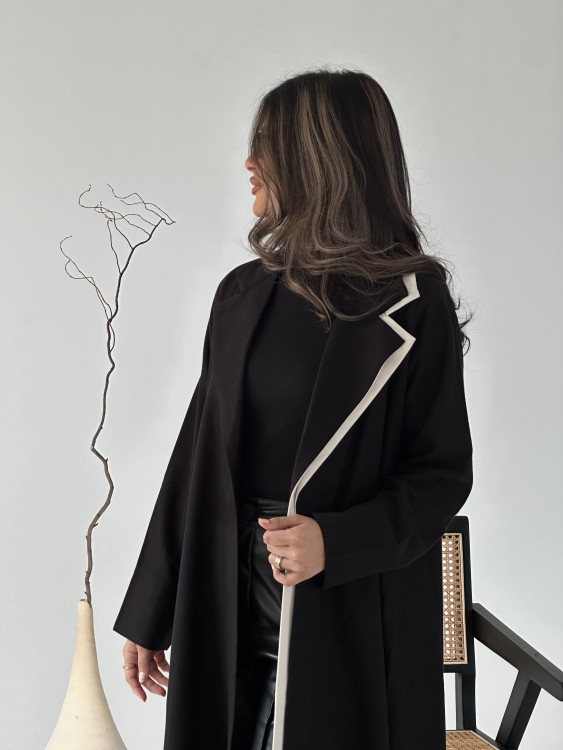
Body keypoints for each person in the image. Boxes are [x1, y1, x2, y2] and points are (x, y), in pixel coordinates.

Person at [114, 66, 473, 750]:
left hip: (348, 609)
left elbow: (441, 475)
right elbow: (195, 458)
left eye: (269, 144)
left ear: (321, 158)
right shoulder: (240, 294)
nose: (249, 161)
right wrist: (151, 609)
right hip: (225, 592)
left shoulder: (413, 302)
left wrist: (336, 542)